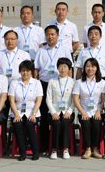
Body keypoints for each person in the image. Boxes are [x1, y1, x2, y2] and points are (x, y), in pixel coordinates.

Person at [34, 25, 73, 153]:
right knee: (45, 115)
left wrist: (69, 83)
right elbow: (36, 70)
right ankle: (45, 146)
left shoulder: (64, 49)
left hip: (61, 85)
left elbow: (69, 67)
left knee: (61, 116)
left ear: (57, 35)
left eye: (52, 34)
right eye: (48, 34)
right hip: (44, 84)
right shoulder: (41, 51)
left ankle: (62, 146)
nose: (50, 37)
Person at [8, 60, 43, 161]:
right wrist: (16, 115)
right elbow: (11, 100)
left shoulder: (37, 83)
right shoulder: (14, 83)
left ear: (31, 71)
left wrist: (33, 114)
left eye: (28, 70)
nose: (25, 73)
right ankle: (22, 152)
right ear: (20, 71)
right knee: (18, 125)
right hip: (17, 112)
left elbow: (38, 100)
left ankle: (35, 151)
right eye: (23, 70)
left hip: (32, 112)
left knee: (29, 124)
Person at [72, 58, 105, 159]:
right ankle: (88, 149)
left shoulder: (102, 82)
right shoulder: (79, 82)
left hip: (97, 111)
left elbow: (103, 100)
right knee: (86, 123)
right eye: (87, 66)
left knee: (96, 123)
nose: (90, 68)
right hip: (84, 111)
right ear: (84, 68)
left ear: (97, 68)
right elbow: (75, 99)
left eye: (93, 66)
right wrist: (82, 112)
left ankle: (95, 149)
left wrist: (99, 110)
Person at [46, 58, 76, 160]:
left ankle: (65, 149)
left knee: (65, 122)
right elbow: (48, 99)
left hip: (68, 111)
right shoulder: (52, 81)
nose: (63, 69)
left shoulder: (73, 82)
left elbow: (74, 100)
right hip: (54, 111)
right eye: (60, 66)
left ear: (69, 69)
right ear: (57, 68)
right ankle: (54, 150)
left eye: (65, 67)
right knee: (57, 123)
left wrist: (69, 111)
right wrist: (53, 112)